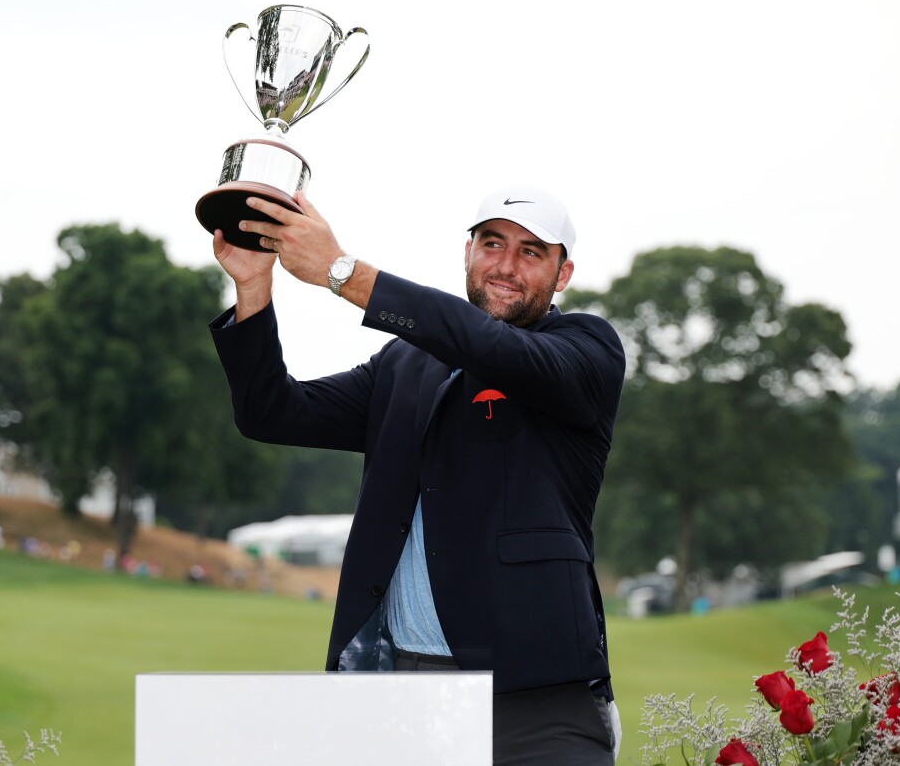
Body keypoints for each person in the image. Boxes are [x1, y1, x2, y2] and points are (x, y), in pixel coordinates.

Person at [209, 186, 626, 765]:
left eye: (532, 253)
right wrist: (254, 288)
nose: (505, 265)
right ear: (467, 252)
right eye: (492, 243)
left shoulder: (585, 350)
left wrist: (342, 272)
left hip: (537, 704)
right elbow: (271, 412)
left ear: (563, 274)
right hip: (399, 695)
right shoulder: (405, 363)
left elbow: (488, 345)